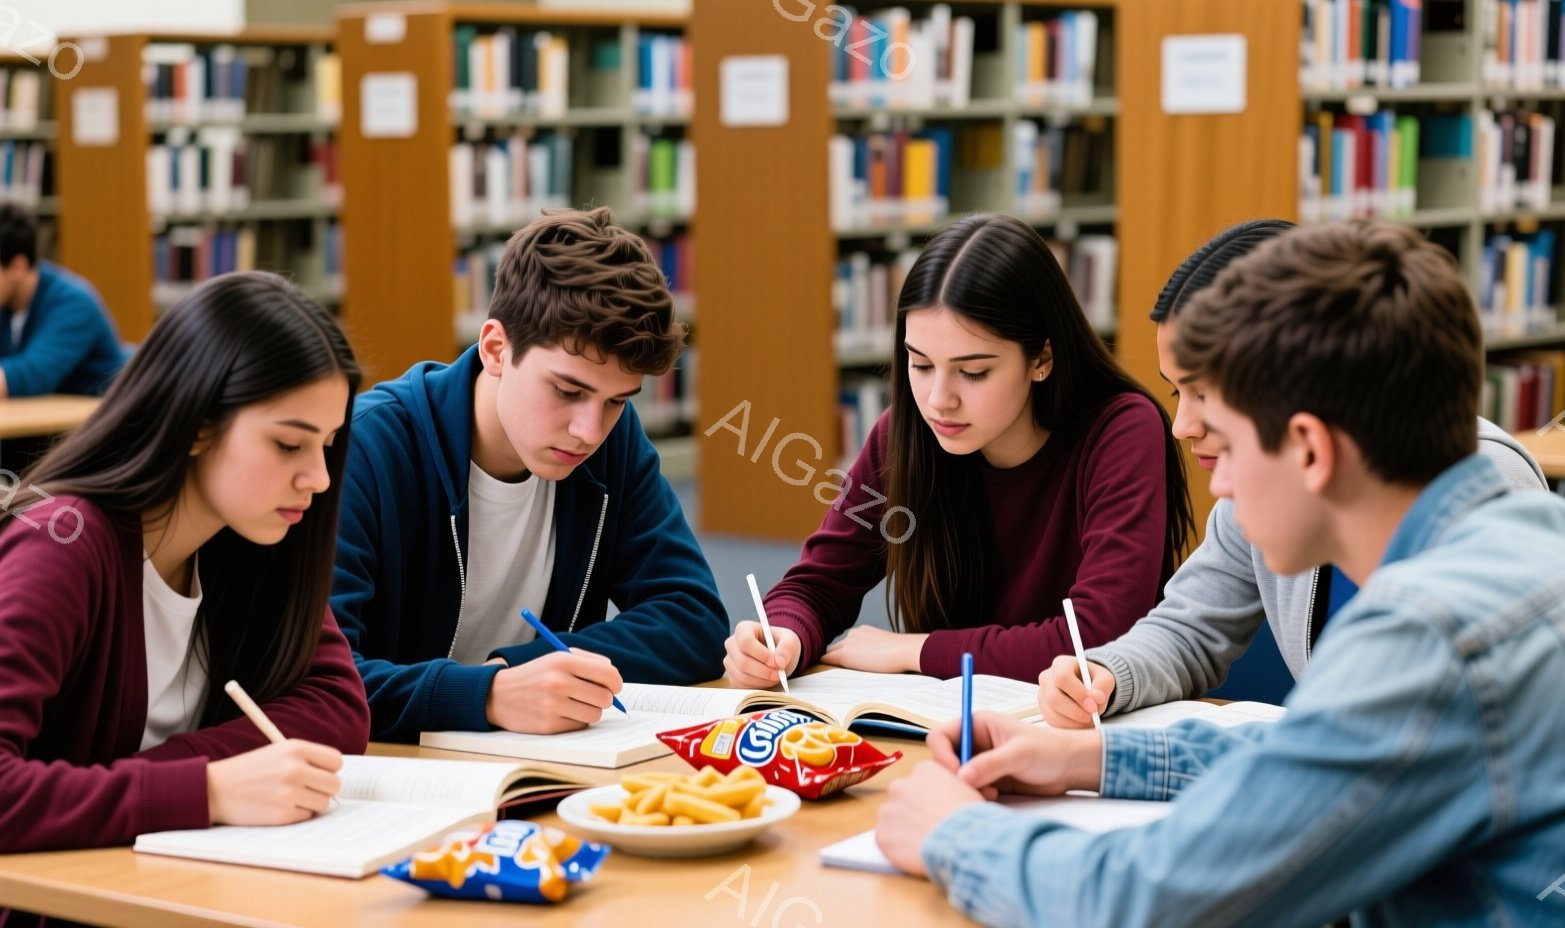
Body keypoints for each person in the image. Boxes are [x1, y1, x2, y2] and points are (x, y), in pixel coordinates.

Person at [874, 220, 1565, 927]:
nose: (1209, 471)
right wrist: (1089, 759)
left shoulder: (1434, 632)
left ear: (1311, 449)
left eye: (1226, 437)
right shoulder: (1558, 536)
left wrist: (952, 834)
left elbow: (1142, 901)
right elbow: (1325, 754)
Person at [1037, 219, 1546, 724]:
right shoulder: (1264, 485)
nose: (1182, 426)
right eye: (1176, 392)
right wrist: (1109, 673)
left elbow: (1404, 748)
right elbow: (1193, 627)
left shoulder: (1479, 491)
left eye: (1205, 395)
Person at [724, 213, 1194, 685]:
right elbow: (819, 586)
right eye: (921, 364)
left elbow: (1098, 636)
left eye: (973, 372)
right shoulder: (904, 433)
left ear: (1042, 360)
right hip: (951, 725)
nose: (937, 401)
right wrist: (782, 635)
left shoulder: (1121, 431)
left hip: (1087, 731)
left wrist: (917, 650)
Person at [0, 272, 370, 853]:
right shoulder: (62, 545)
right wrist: (205, 789)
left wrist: (186, 773)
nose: (320, 479)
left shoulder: (246, 533)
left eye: (327, 444)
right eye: (287, 444)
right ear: (197, 425)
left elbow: (337, 705)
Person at [333, 207, 727, 742]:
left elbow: (693, 617)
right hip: (396, 781)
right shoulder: (365, 450)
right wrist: (489, 694)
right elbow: (322, 684)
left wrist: (529, 666)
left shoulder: (614, 440)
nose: (589, 431)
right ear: (496, 348)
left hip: (537, 763)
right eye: (567, 391)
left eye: (616, 401)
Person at [0, 205, 126, 399]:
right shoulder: (7, 304)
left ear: (18, 266)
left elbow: (32, 375)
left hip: (100, 422)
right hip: (46, 422)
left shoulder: (74, 302)